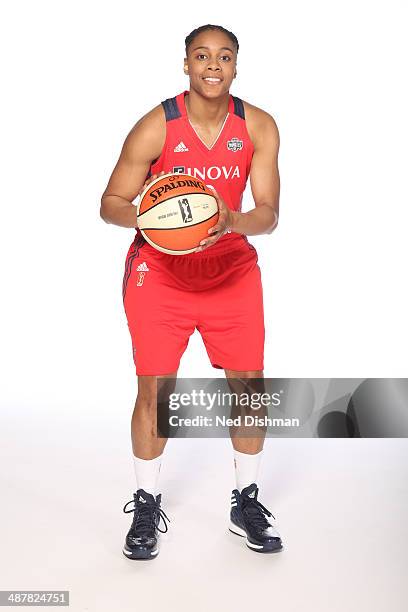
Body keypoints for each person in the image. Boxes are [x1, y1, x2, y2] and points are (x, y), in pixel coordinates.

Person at [100, 24, 282, 559]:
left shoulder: (260, 127)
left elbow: (268, 214)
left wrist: (233, 220)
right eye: (201, 55)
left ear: (235, 66)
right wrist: (156, 219)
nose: (212, 65)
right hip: (160, 275)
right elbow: (110, 202)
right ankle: (146, 501)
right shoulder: (156, 126)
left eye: (224, 57)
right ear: (185, 64)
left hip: (230, 271)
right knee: (156, 391)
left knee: (249, 388)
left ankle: (245, 500)